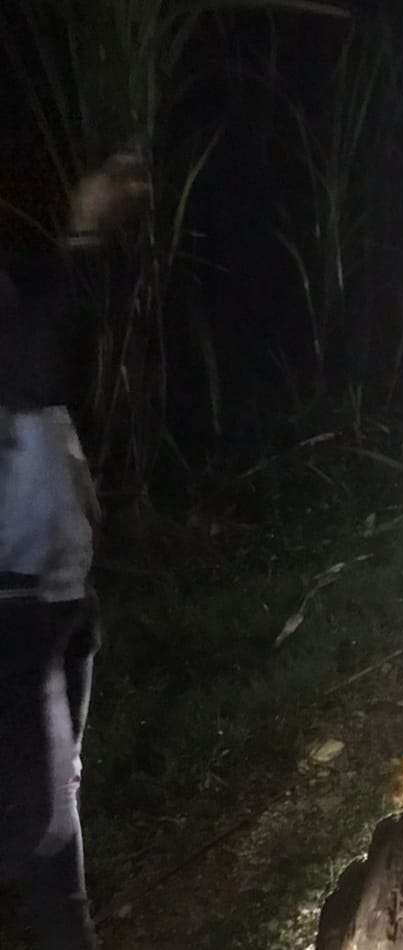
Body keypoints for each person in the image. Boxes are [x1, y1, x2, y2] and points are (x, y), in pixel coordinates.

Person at [0, 151, 148, 948]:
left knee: (59, 799)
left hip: (56, 581)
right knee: (41, 822)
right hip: (15, 601)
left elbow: (47, 369)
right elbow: (33, 358)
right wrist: (87, 230)